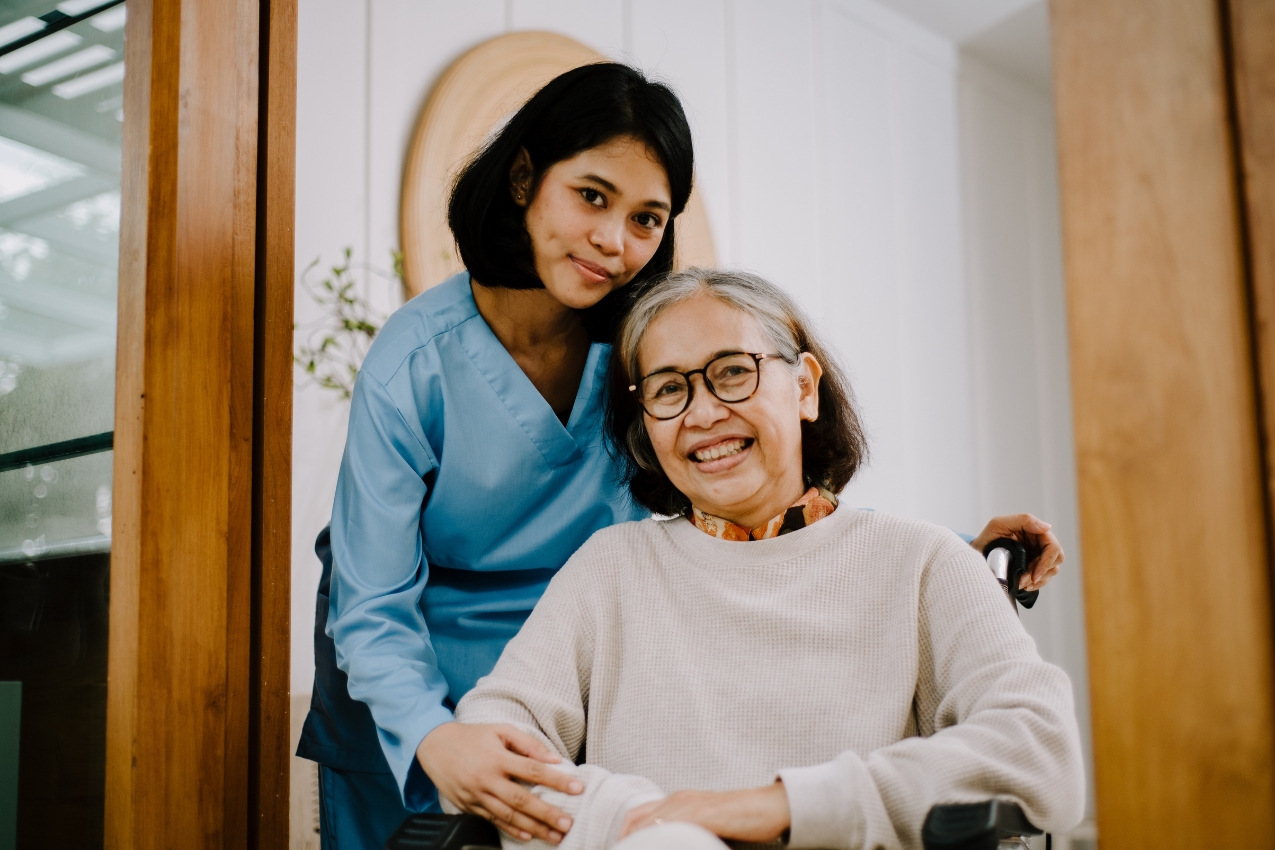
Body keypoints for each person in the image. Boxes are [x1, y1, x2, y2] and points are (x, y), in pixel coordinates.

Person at [296, 63, 1066, 849]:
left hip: (588, 674)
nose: (613, 242)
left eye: (647, 219)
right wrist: (432, 734)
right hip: (417, 668)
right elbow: (373, 602)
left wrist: (942, 572)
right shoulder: (416, 363)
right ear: (524, 178)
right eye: (592, 196)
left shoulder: (639, 353)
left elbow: (761, 501)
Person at [451, 269, 1085, 850]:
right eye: (669, 388)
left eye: (732, 371)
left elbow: (1039, 750)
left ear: (804, 387)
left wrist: (782, 807)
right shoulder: (609, 569)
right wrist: (655, 823)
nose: (702, 413)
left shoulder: (924, 562)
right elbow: (492, 741)